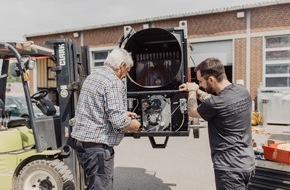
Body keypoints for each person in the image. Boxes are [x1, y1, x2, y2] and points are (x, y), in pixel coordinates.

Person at [179, 57, 255, 190]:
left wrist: (191, 91)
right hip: (247, 163)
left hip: (229, 170)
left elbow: (192, 111)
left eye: (201, 81)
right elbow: (214, 101)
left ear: (211, 80)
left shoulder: (215, 103)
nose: (200, 85)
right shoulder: (242, 91)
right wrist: (197, 91)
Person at [71, 48, 141, 190]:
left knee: (94, 185)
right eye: (127, 70)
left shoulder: (94, 76)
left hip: (84, 145)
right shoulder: (113, 82)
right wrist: (135, 125)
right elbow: (119, 122)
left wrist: (122, 113)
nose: (125, 75)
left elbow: (97, 108)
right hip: (98, 149)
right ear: (122, 66)